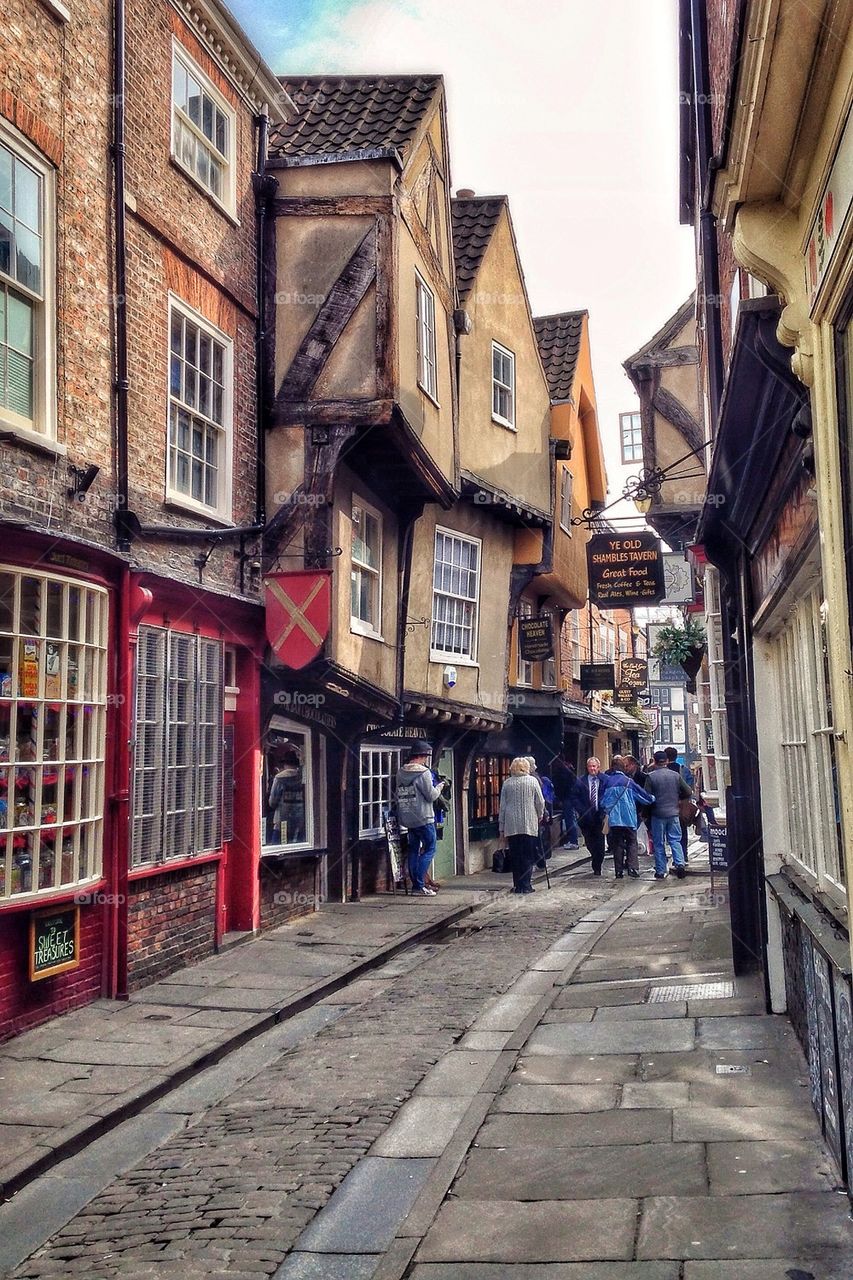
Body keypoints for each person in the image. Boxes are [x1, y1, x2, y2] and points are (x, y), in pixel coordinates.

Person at [395, 742, 448, 896]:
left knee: (413, 850)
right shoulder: (423, 773)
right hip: (424, 817)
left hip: (408, 817)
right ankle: (419, 885)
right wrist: (439, 786)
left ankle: (416, 885)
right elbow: (431, 796)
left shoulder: (400, 772)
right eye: (425, 757)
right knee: (430, 848)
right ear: (421, 756)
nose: (426, 760)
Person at [600, 755, 654, 878]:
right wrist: (653, 798)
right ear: (623, 767)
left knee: (617, 844)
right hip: (629, 818)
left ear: (612, 768)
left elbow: (602, 801)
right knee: (631, 843)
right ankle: (633, 868)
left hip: (614, 820)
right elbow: (644, 797)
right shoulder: (629, 782)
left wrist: (607, 810)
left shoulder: (607, 782)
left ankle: (618, 871)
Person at [499, 757, 545, 893]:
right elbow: (540, 801)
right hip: (529, 824)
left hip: (511, 825)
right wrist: (539, 814)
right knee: (527, 855)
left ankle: (518, 884)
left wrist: (501, 827)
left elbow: (502, 806)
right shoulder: (533, 781)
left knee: (516, 855)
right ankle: (526, 885)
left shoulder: (507, 783)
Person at [644, 749, 692, 879]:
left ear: (654, 761)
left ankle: (660, 871)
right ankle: (680, 864)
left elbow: (646, 797)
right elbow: (688, 791)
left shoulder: (651, 776)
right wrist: (678, 797)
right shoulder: (675, 776)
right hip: (673, 813)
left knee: (659, 843)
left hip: (657, 814)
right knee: (675, 840)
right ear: (666, 761)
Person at [572, 757, 607, 876]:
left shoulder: (605, 780)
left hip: (599, 816)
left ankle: (597, 866)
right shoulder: (580, 781)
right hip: (586, 817)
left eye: (594, 766)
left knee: (600, 843)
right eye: (590, 766)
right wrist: (582, 810)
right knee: (590, 842)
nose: (592, 769)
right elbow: (574, 798)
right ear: (587, 768)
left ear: (598, 767)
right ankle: (594, 857)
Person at [665, 746, 695, 863]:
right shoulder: (684, 770)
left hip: (667, 805)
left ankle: (675, 857)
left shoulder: (662, 770)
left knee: (670, 833)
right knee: (682, 831)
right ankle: (684, 855)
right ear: (676, 756)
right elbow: (689, 789)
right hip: (682, 805)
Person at [526, 756, 554, 867]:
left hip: (536, 814)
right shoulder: (535, 778)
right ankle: (539, 860)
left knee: (537, 839)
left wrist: (543, 812)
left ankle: (539, 859)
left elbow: (541, 799)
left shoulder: (535, 779)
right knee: (537, 838)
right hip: (536, 814)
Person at [551, 755, 579, 848]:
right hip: (571, 797)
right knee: (571, 818)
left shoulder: (561, 771)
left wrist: (560, 797)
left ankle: (573, 841)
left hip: (567, 797)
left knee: (569, 818)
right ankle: (573, 839)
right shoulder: (569, 769)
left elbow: (561, 786)